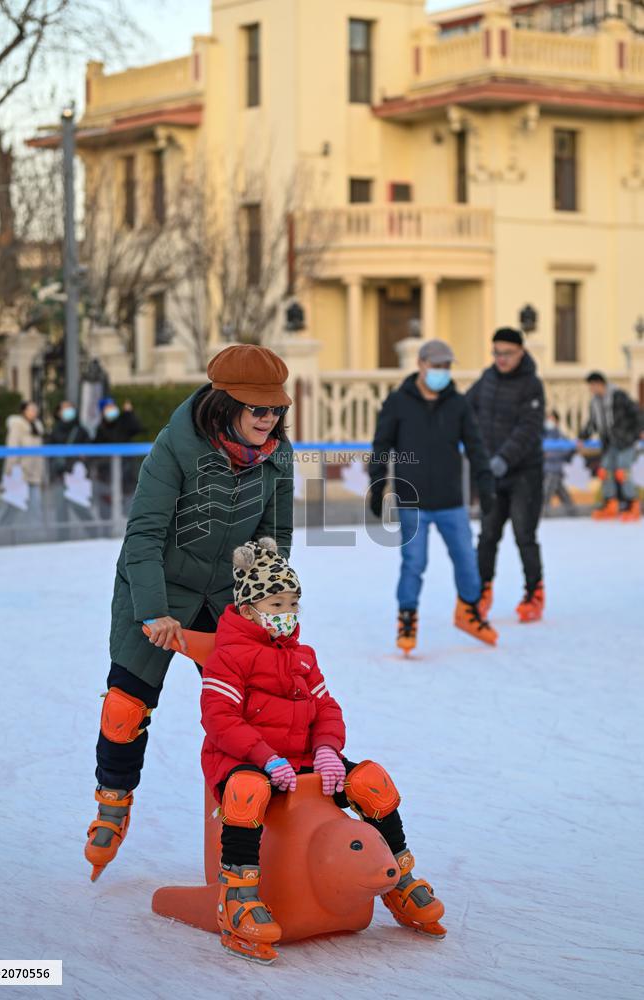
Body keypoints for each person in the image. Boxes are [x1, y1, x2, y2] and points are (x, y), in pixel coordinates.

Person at [85, 345, 295, 881]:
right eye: (257, 409)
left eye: (276, 409)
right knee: (125, 706)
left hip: (226, 595)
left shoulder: (277, 455)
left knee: (252, 709)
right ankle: (113, 802)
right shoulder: (176, 447)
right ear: (225, 405)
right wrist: (154, 612)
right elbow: (144, 535)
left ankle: (257, 822)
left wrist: (263, 593)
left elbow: (275, 535)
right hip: (159, 587)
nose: (268, 419)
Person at [200, 537, 445, 964]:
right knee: (247, 793)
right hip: (243, 760)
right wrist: (265, 757)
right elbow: (220, 720)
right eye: (277, 604)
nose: (287, 613)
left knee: (370, 782)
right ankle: (237, 897)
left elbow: (326, 708)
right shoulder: (228, 658)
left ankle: (400, 879)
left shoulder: (303, 657)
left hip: (304, 759)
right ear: (249, 609)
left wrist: (328, 750)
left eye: (293, 604)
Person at [368, 339, 497, 653]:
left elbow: (476, 447)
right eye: (436, 365)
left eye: (446, 366)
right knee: (414, 562)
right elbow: (382, 445)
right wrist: (377, 484)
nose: (442, 371)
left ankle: (469, 610)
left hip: (450, 499)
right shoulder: (398, 402)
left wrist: (485, 484)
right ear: (421, 364)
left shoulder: (458, 404)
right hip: (411, 500)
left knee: (466, 559)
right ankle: (407, 618)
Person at [467, 328, 546, 623]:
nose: (501, 359)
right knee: (487, 534)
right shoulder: (486, 379)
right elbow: (464, 409)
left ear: (520, 352)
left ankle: (534, 592)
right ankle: (481, 590)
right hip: (491, 473)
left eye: (507, 353)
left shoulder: (532, 385)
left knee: (524, 534)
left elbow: (529, 428)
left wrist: (504, 458)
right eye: (496, 353)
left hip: (524, 473)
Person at [579, 371, 642, 522]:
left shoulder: (618, 396)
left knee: (622, 472)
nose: (591, 389)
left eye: (592, 386)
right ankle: (611, 504)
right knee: (605, 472)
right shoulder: (595, 403)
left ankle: (632, 504)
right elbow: (593, 423)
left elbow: (637, 412)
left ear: (600, 384)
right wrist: (582, 436)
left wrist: (640, 430)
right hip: (609, 443)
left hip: (625, 441)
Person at [48, 401, 95, 539]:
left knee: (80, 505)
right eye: (65, 408)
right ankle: (63, 537)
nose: (69, 410)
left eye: (70, 408)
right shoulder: (54, 431)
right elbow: (50, 453)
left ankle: (94, 534)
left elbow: (89, 450)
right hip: (60, 475)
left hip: (76, 477)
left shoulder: (81, 430)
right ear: (58, 412)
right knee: (60, 508)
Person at [93, 397, 143, 520]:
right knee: (107, 512)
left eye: (112, 407)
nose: (111, 410)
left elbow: (137, 428)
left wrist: (129, 413)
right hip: (107, 476)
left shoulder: (123, 422)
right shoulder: (100, 429)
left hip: (127, 474)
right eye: (108, 408)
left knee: (129, 510)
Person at [0, 401, 45, 526]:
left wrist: (43, 474)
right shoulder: (17, 426)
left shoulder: (37, 427)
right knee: (13, 506)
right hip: (19, 473)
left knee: (35, 505)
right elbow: (12, 450)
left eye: (35, 409)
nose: (34, 412)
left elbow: (40, 453)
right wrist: (10, 472)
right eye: (31, 409)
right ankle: (2, 528)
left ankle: (34, 531)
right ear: (24, 411)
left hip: (34, 473)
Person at [542, 410, 577, 516]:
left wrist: (574, 448)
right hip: (544, 470)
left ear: (557, 421)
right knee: (561, 491)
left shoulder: (560, 436)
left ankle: (542, 512)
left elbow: (567, 453)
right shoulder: (543, 435)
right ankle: (572, 511)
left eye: (551, 419)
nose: (549, 422)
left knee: (546, 492)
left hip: (554, 470)